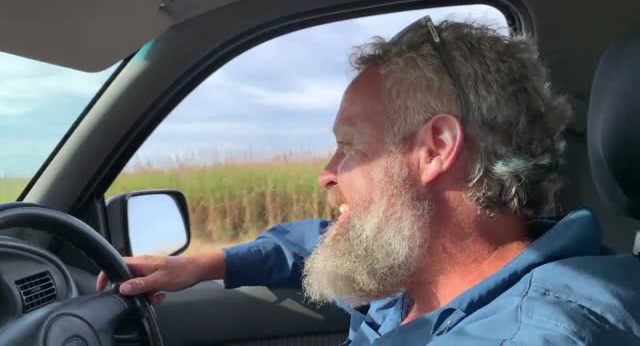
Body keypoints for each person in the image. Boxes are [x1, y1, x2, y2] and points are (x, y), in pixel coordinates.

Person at [97, 17, 640, 344]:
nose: (326, 175)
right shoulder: (421, 270)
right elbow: (319, 242)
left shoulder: (531, 334)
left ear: (435, 149)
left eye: (349, 146)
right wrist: (204, 264)